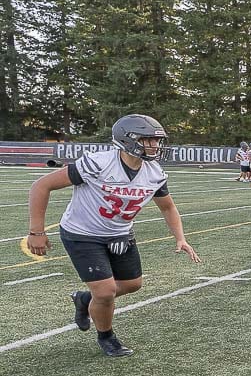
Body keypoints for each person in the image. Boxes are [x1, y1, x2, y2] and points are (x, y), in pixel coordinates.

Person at [25, 114, 202, 357]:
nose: (155, 146)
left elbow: (168, 206)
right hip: (82, 233)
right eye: (147, 140)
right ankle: (107, 337)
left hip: (120, 234)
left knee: (132, 284)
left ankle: (85, 299)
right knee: (106, 292)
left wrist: (180, 238)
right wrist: (36, 231)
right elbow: (41, 185)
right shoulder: (98, 163)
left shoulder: (154, 172)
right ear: (127, 140)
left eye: (156, 141)